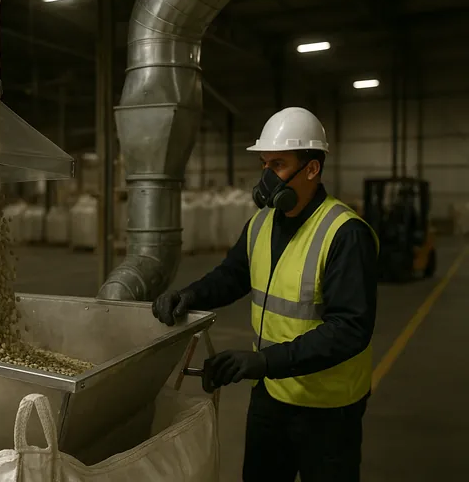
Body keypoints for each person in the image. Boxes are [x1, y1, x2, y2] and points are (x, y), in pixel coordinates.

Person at [152, 107, 379, 482]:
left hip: (327, 408)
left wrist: (266, 361)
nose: (267, 176)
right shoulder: (261, 222)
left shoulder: (345, 234)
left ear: (311, 168)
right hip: (271, 396)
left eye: (278, 164)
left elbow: (350, 328)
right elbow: (234, 275)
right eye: (264, 164)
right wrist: (191, 295)